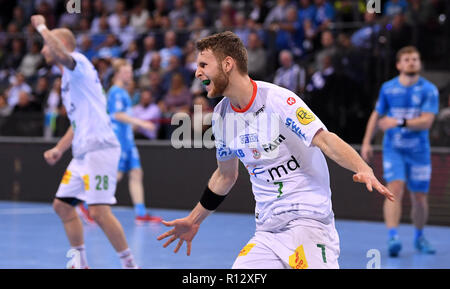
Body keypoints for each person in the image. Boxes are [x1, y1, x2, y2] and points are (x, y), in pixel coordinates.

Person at [157, 31, 394, 268]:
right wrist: (193, 220)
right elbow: (225, 175)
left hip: (307, 221)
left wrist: (362, 167)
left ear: (227, 64)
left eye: (203, 64)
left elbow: (324, 140)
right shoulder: (221, 116)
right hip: (268, 231)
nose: (197, 72)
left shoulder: (278, 100)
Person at [32, 15, 139, 269]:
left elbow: (59, 52)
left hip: (100, 149)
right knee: (62, 206)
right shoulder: (69, 82)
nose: (43, 48)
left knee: (99, 211)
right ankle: (79, 262)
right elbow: (76, 123)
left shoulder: (78, 63)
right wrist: (60, 148)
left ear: (58, 43)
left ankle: (130, 265)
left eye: (47, 44)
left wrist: (41, 26)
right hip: (82, 153)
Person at [361, 46, 439, 257]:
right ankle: (393, 236)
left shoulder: (429, 89)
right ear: (399, 65)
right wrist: (367, 142)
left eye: (415, 59)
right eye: (407, 59)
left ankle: (419, 236)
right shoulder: (388, 88)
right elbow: (376, 115)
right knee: (394, 189)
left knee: (420, 198)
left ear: (420, 63)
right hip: (394, 149)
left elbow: (426, 122)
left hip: (419, 151)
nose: (411, 62)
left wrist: (399, 121)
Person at [107, 59, 162, 224]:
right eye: (126, 72)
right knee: (115, 175)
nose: (130, 75)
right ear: (117, 74)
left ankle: (141, 213)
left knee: (136, 173)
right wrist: (142, 123)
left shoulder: (124, 92)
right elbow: (117, 115)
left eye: (131, 72)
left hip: (128, 140)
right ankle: (88, 206)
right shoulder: (116, 91)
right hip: (119, 140)